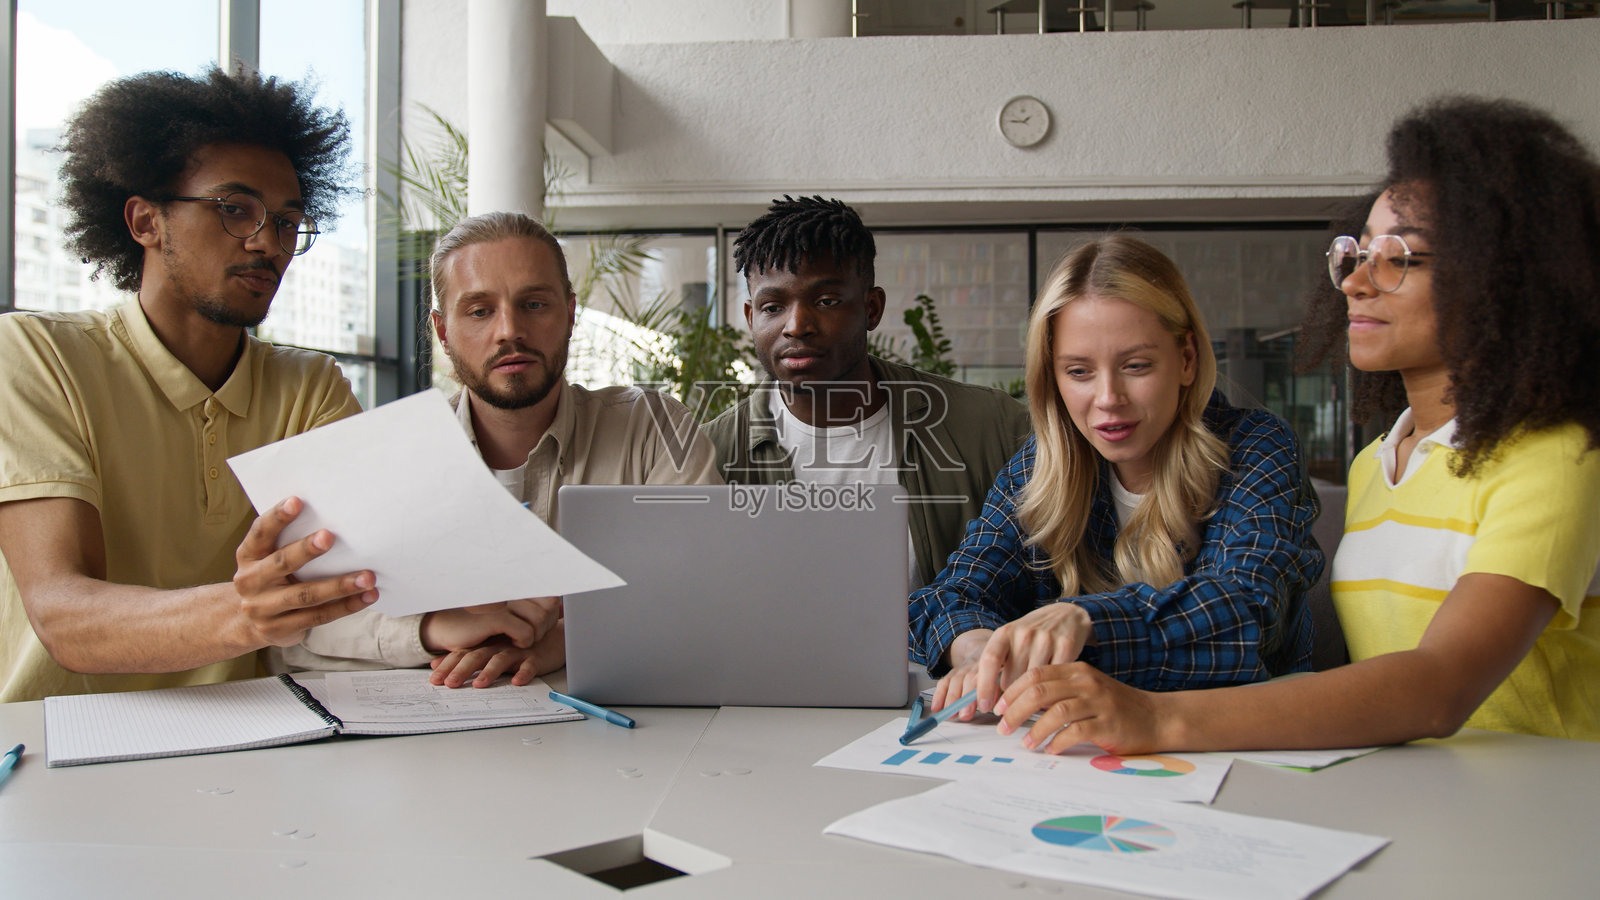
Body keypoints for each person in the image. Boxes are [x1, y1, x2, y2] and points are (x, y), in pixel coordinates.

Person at [994, 97, 1600, 752]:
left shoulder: (1555, 457)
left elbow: (1438, 686)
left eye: (1399, 256)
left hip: (1547, 816)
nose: (1357, 282)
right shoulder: (1381, 462)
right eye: (1356, 253)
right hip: (1416, 806)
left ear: (1499, 278)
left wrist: (1158, 717)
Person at [284, 212, 721, 688]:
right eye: (479, 310)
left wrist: (568, 637)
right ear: (443, 331)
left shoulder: (653, 429)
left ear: (570, 313)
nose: (509, 330)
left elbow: (706, 588)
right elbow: (303, 628)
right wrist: (433, 629)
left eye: (534, 304)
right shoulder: (386, 458)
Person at [912, 234, 1322, 719]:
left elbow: (1247, 612)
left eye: (1135, 366)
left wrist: (1084, 624)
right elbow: (949, 595)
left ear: (1187, 359)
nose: (1108, 398)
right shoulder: (1040, 466)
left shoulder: (1256, 447)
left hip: (1240, 746)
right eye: (1079, 372)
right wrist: (980, 650)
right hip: (1078, 754)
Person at [702, 196, 1031, 591]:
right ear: (751, 318)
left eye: (826, 301)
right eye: (773, 306)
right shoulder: (707, 456)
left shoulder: (991, 427)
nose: (797, 325)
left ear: (871, 308)